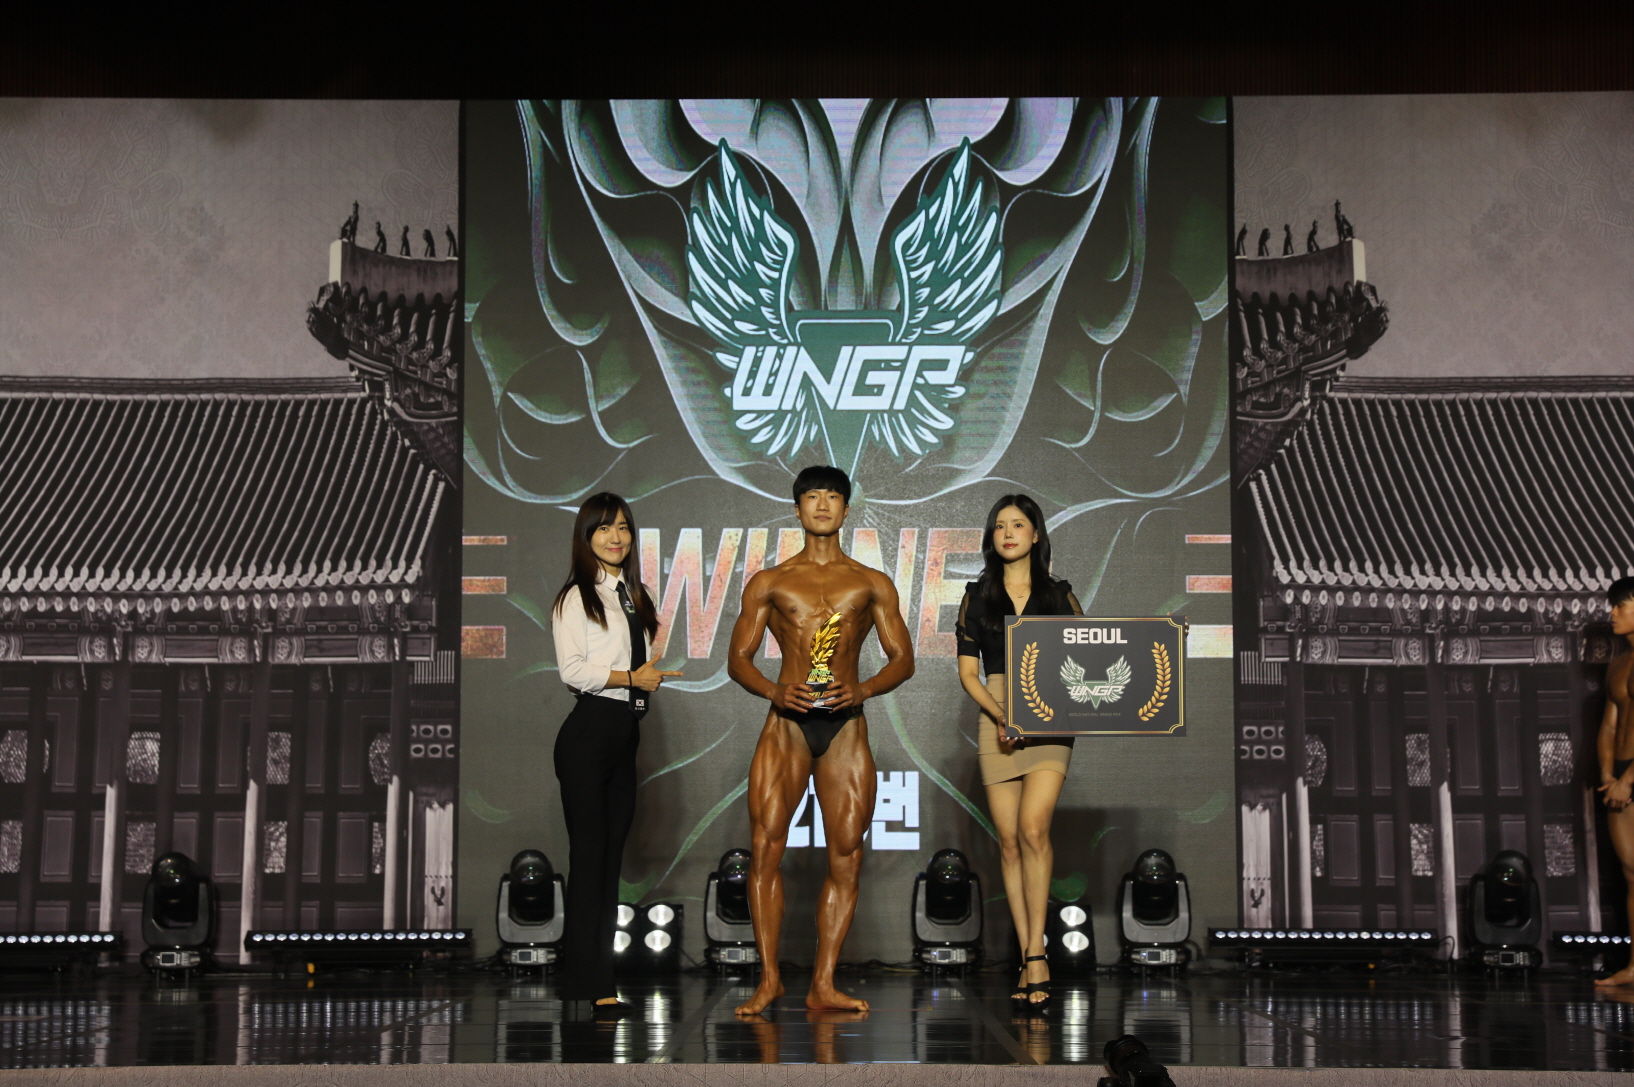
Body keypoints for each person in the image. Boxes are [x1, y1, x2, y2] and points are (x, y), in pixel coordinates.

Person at [725, 465, 915, 1015]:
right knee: (766, 848)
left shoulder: (872, 582)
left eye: (833, 496)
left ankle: (823, 983)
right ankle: (769, 980)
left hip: (845, 727)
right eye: (812, 496)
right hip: (786, 725)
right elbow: (738, 659)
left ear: (847, 509)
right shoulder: (770, 582)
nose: (823, 504)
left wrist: (863, 689)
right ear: (797, 508)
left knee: (847, 855)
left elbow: (903, 659)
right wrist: (773, 690)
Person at [550, 492, 683, 1009]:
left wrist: (643, 678)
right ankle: (585, 983)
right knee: (588, 860)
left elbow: (637, 666)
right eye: (604, 528)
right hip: (588, 735)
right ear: (586, 537)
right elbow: (572, 671)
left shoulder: (633, 596)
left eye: (624, 527)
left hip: (625, 734)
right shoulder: (576, 597)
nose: (616, 537)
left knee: (609, 865)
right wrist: (631, 678)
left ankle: (600, 983)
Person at [955, 494, 1083, 1009]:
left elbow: (1088, 655)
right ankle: (1030, 952)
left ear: (1036, 534)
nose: (1008, 533)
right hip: (997, 713)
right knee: (1008, 843)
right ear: (992, 538)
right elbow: (968, 673)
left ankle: (1037, 953)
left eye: (1018, 524)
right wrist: (1002, 715)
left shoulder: (1060, 595)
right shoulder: (976, 596)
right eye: (1000, 526)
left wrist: (1039, 710)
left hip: (1051, 715)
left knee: (1033, 829)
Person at [1595, 576, 1634, 986]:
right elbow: (1609, 725)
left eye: (1621, 605)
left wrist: (1629, 779)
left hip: (1632, 772)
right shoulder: (1619, 664)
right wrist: (1608, 774)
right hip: (1621, 769)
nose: (1612, 613)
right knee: (1631, 874)